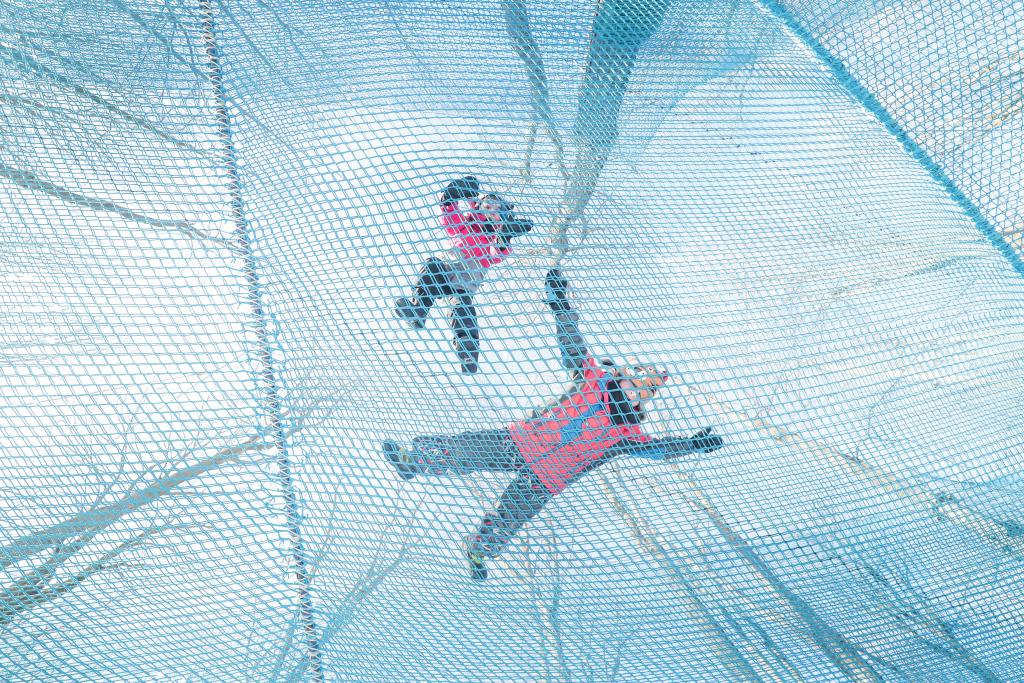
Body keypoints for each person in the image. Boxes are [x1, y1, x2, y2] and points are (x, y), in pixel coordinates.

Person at [384, 269, 724, 580]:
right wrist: (559, 303)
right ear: (621, 376)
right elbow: (570, 340)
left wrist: (691, 445)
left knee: (510, 518)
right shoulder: (591, 378)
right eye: (638, 384)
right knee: (464, 450)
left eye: (646, 394)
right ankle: (414, 461)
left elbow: (657, 449)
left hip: (547, 479)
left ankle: (479, 550)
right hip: (520, 442)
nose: (639, 396)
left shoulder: (625, 434)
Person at [395, 176, 533, 373]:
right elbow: (450, 217)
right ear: (478, 207)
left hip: (464, 281)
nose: (491, 212)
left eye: (496, 210)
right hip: (445, 270)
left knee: (462, 308)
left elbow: (497, 253)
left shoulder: (493, 237)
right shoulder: (465, 225)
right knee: (431, 266)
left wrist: (505, 236)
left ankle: (468, 350)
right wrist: (452, 197)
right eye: (487, 206)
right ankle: (418, 310)